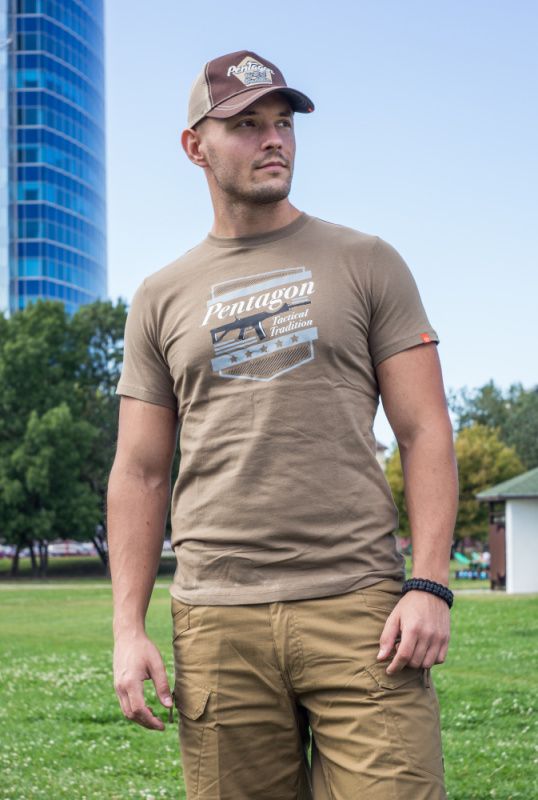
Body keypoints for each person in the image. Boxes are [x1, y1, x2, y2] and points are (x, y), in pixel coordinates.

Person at [108, 50, 458, 800]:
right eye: (246, 125)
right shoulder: (160, 297)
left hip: (360, 609)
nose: (273, 139)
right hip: (216, 619)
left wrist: (430, 583)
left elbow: (426, 430)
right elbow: (139, 470)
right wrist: (127, 629)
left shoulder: (368, 262)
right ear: (195, 146)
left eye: (283, 122)